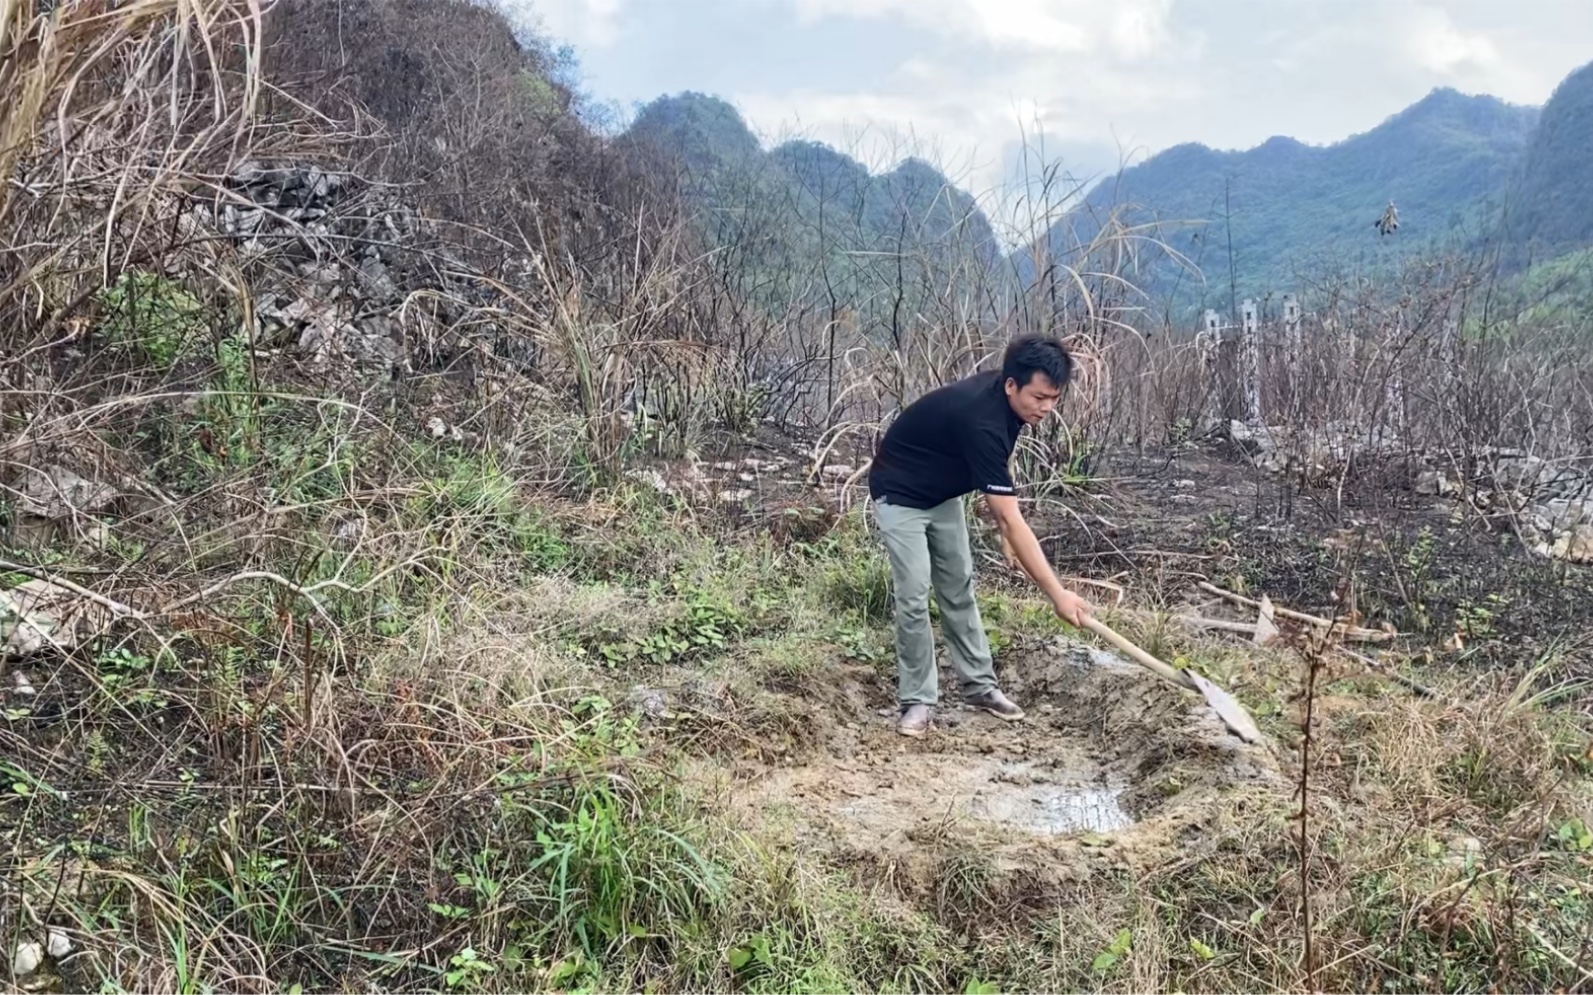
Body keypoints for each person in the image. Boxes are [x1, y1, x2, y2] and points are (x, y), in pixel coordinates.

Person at [866, 334, 1094, 737]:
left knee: (958, 587)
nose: (1047, 408)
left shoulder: (1010, 400)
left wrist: (1004, 525)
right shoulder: (980, 416)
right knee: (915, 594)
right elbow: (1008, 510)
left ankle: (980, 686)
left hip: (943, 494)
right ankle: (917, 700)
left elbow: (997, 472)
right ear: (1012, 385)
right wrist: (1058, 595)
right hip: (899, 492)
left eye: (1054, 399)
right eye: (1039, 398)